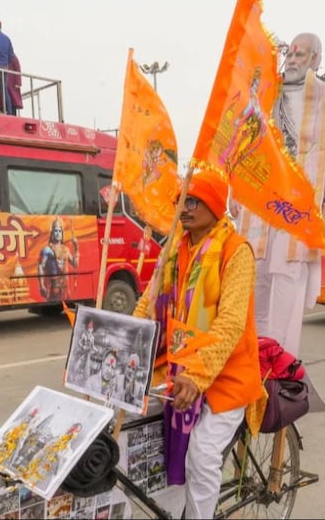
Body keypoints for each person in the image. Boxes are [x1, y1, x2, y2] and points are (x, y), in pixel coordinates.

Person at [132, 170, 264, 520]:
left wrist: (198, 373)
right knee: (137, 426)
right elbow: (148, 302)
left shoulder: (237, 252)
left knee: (202, 454)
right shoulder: (174, 249)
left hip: (226, 376)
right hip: (178, 368)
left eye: (192, 201)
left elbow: (231, 323)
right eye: (180, 201)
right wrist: (126, 339)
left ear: (214, 205)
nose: (184, 208)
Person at [235, 32, 325, 357]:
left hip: (296, 209)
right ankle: (251, 362)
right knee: (254, 280)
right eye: (291, 55)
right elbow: (243, 143)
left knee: (286, 279)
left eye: (301, 55)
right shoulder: (267, 91)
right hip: (258, 208)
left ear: (315, 60)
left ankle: (279, 364)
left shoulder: (322, 96)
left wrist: (324, 201)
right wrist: (235, 192)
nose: (293, 61)